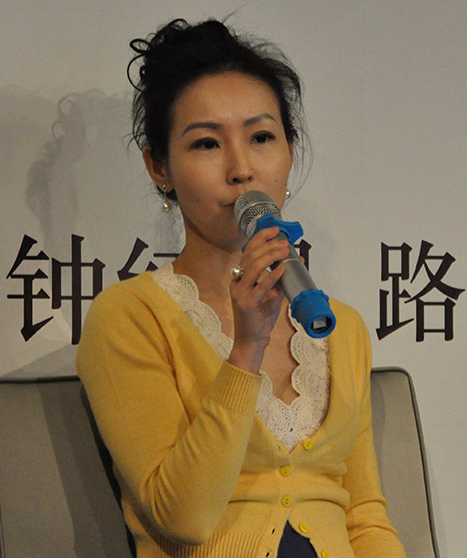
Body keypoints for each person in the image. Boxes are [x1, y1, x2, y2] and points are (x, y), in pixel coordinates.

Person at [76, 18, 406, 558]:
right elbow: (181, 518)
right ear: (160, 167)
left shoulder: (339, 326)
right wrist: (246, 349)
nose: (241, 169)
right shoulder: (131, 316)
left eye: (261, 138)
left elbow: (365, 516)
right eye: (207, 143)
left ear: (289, 152)